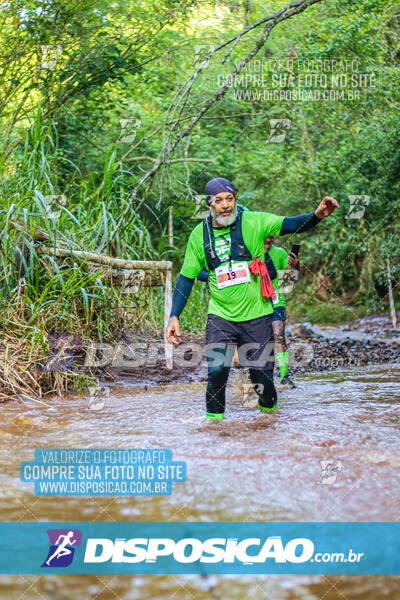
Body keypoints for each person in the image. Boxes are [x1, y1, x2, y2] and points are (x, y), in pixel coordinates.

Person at [166, 177, 338, 420]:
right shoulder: (199, 235)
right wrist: (174, 315)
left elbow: (291, 224)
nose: (225, 205)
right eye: (219, 201)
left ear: (235, 199)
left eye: (229, 199)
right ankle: (213, 429)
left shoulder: (255, 221)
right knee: (216, 372)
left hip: (258, 316)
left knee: (262, 379)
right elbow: (186, 278)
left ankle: (269, 419)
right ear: (210, 204)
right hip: (220, 316)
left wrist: (317, 215)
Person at [264, 236, 299, 388]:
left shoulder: (279, 252)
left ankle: (284, 376)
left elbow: (288, 283)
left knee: (279, 335)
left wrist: (295, 266)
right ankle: (258, 377)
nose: (269, 238)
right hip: (254, 302)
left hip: (276, 299)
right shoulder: (247, 251)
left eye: (272, 235)